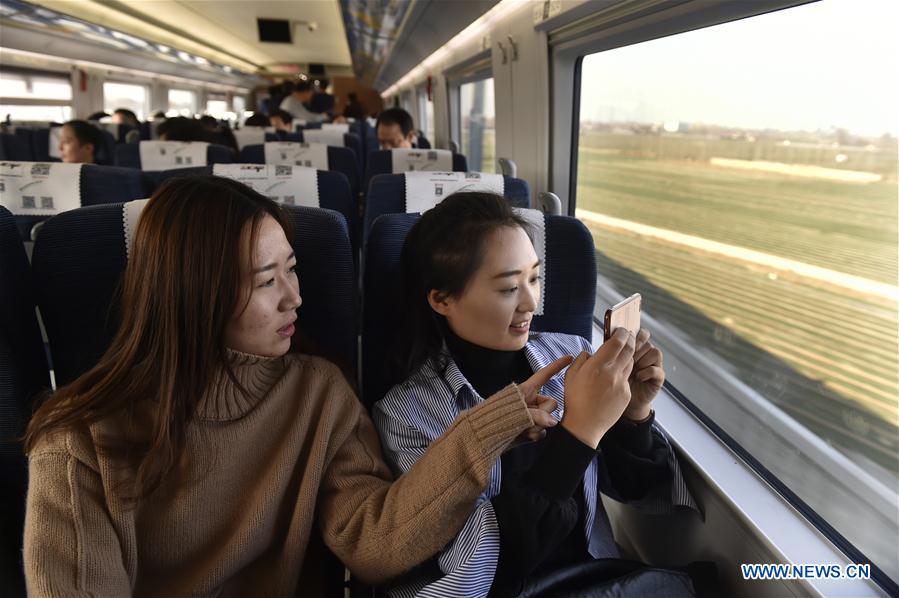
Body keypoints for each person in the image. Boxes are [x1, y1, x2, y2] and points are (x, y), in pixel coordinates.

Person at [22, 176, 568, 595]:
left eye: (294, 269)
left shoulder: (318, 394)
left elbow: (371, 543)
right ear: (196, 295)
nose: (294, 298)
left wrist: (491, 425)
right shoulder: (79, 440)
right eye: (266, 281)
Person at [373, 192, 697, 597]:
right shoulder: (407, 415)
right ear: (442, 299)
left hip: (595, 580)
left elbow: (641, 491)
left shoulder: (572, 355)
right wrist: (576, 435)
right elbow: (476, 569)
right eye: (509, 288)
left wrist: (634, 414)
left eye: (534, 278)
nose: (531, 303)